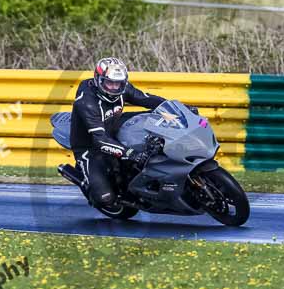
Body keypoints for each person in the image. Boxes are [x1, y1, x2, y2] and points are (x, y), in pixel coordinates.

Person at [69, 57, 196, 209]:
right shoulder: (87, 103)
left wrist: (179, 109)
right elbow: (100, 140)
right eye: (109, 83)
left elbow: (146, 99)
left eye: (119, 84)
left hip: (115, 125)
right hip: (90, 145)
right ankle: (83, 179)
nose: (114, 88)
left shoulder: (123, 88)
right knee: (105, 199)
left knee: (156, 121)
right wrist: (131, 153)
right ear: (98, 80)